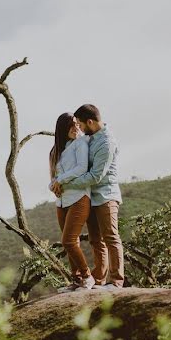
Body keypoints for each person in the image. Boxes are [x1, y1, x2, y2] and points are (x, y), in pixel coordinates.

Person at [51, 104, 124, 289]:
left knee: (111, 237)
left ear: (90, 122)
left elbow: (95, 176)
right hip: (91, 195)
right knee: (95, 240)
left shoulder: (106, 143)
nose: (79, 128)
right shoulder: (89, 139)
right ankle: (98, 279)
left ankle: (116, 282)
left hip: (106, 195)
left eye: (81, 125)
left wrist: (64, 184)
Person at [47, 112, 94, 292]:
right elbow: (53, 177)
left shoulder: (80, 143)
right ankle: (76, 280)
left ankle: (87, 275)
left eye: (77, 124)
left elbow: (81, 168)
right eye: (72, 125)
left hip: (79, 197)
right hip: (61, 202)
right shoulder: (55, 151)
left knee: (67, 240)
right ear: (62, 128)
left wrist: (61, 180)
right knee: (72, 242)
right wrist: (54, 185)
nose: (76, 128)